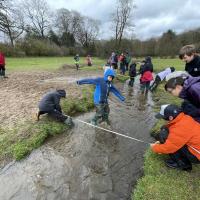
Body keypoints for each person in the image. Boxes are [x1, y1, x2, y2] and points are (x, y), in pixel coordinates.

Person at [151, 104, 200, 171]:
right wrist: (160, 142)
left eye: (164, 117)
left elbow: (169, 147)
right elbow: (172, 130)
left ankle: (184, 165)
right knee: (165, 129)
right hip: (195, 145)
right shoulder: (185, 117)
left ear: (170, 117)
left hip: (197, 154)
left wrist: (155, 147)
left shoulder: (180, 128)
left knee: (164, 135)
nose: (163, 119)